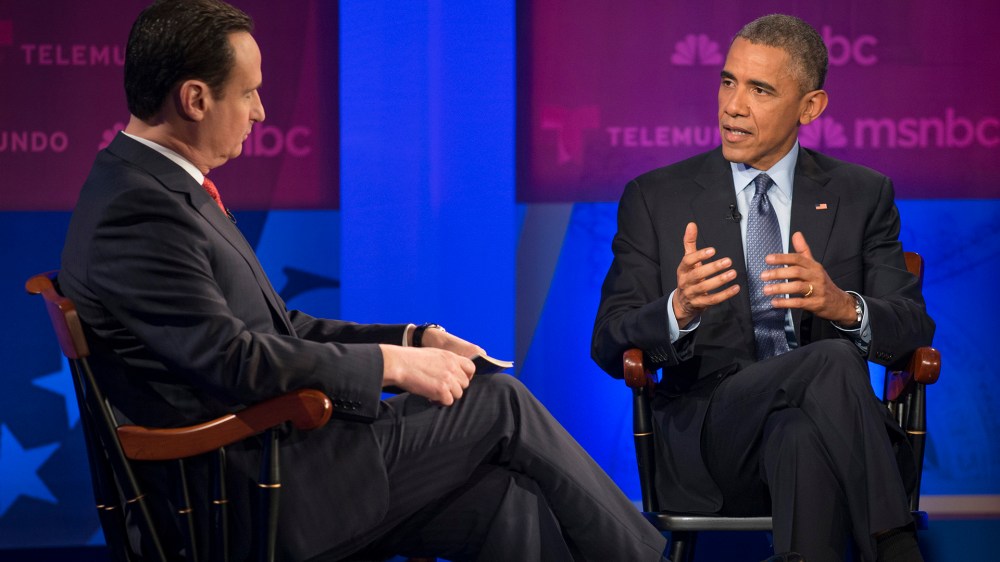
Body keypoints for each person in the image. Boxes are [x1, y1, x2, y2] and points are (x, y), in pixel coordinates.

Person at [59, 1, 668, 560]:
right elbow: (233, 360)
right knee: (498, 400)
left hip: (277, 460)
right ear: (194, 98)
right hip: (253, 490)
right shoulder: (140, 211)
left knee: (504, 502)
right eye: (249, 93)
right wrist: (391, 368)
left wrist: (411, 340)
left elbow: (277, 328)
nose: (261, 111)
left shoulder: (148, 187)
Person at [591, 14, 934, 562]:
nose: (733, 106)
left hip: (824, 437)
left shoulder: (862, 194)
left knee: (800, 432)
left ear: (810, 108)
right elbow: (609, 340)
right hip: (711, 440)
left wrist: (843, 306)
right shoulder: (656, 198)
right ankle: (893, 542)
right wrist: (677, 309)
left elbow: (913, 326)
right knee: (832, 362)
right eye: (728, 81)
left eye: (760, 89)